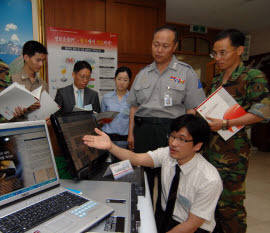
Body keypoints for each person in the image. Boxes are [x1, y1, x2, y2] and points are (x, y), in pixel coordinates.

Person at [83, 114, 223, 233]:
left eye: (181, 139)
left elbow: (191, 225)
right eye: (172, 136)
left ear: (198, 145)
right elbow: (137, 158)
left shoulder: (209, 179)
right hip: (164, 217)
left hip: (192, 228)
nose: (173, 143)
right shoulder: (167, 154)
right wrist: (111, 146)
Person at [127, 25, 206, 200]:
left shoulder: (187, 73)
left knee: (168, 182)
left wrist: (184, 138)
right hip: (143, 131)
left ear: (174, 46)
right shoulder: (142, 74)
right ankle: (142, 220)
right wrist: (131, 133)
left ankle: (163, 221)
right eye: (156, 44)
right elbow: (133, 106)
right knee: (142, 181)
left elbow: (192, 109)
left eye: (165, 46)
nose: (159, 50)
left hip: (170, 132)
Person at [205, 29, 270, 233]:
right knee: (212, 204)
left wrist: (224, 123)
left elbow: (263, 112)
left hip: (233, 155)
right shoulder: (217, 80)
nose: (218, 58)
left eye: (223, 53)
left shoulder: (252, 76)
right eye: (215, 53)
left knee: (230, 207)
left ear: (240, 50)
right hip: (210, 151)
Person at [12, 40, 48, 113]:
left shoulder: (43, 84)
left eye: (43, 60)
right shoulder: (12, 80)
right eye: (38, 60)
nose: (41, 64)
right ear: (26, 58)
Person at [101, 66, 132, 149]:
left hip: (124, 140)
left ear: (129, 81)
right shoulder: (106, 97)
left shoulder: (132, 99)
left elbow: (133, 121)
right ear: (114, 79)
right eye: (119, 79)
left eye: (125, 80)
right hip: (107, 138)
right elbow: (101, 119)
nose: (122, 82)